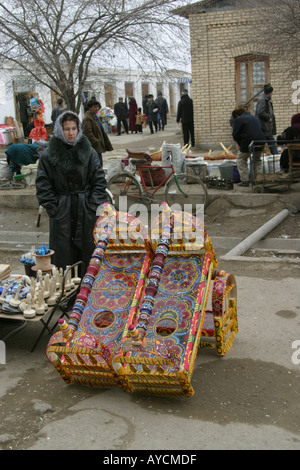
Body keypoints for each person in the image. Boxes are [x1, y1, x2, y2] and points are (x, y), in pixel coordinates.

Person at [36, 111, 108, 272]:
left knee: (87, 254)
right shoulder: (49, 155)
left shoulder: (88, 152)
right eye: (66, 129)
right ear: (59, 130)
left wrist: (92, 207)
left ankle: (86, 292)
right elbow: (43, 185)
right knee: (63, 255)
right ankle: (65, 293)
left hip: (85, 210)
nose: (71, 133)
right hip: (62, 211)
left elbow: (99, 181)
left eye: (74, 128)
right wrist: (55, 209)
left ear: (78, 129)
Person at [232, 106, 266, 187]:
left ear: (237, 115)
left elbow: (235, 134)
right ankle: (258, 179)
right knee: (257, 160)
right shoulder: (255, 118)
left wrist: (240, 144)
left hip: (247, 142)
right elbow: (262, 129)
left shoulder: (239, 120)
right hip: (260, 141)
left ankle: (245, 180)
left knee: (241, 159)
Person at [82, 99, 113, 167]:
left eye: (97, 107)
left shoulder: (96, 118)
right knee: (95, 165)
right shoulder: (87, 119)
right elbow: (87, 134)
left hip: (97, 147)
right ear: (90, 108)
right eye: (94, 107)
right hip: (92, 147)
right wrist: (96, 142)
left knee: (99, 165)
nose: (96, 108)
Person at [255, 84, 277, 155]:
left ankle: (275, 157)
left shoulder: (266, 100)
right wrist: (268, 117)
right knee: (271, 143)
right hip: (264, 126)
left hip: (266, 127)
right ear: (270, 92)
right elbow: (260, 112)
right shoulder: (263, 100)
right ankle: (275, 157)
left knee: (270, 143)